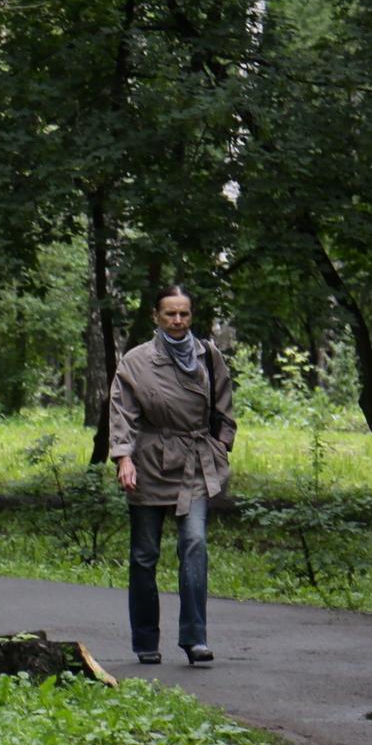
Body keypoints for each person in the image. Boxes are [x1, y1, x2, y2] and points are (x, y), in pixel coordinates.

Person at [107, 283, 235, 666]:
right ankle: (146, 640)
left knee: (194, 543)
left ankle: (195, 639)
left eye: (184, 314)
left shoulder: (208, 356)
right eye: (170, 314)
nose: (178, 320)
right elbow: (122, 412)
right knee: (144, 555)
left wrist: (221, 445)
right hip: (148, 463)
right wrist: (123, 458)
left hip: (195, 463)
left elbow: (225, 406)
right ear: (156, 317)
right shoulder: (136, 361)